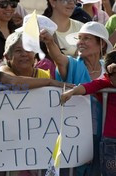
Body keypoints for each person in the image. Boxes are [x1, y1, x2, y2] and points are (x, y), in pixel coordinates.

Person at [40, 21, 113, 176]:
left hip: (104, 134)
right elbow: (58, 58)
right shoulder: (73, 64)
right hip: (75, 133)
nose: (81, 42)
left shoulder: (109, 69)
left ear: (101, 44)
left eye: (87, 38)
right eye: (80, 38)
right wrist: (50, 41)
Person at [60, 50, 116, 176]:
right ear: (108, 74)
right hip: (110, 140)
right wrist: (71, 92)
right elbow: (87, 87)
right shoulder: (104, 83)